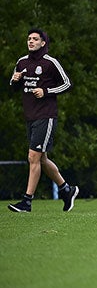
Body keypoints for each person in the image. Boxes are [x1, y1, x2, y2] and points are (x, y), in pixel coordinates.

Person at [8, 28, 79, 213]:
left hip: (45, 116)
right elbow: (14, 87)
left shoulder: (50, 62)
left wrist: (46, 91)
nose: (30, 41)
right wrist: (15, 80)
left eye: (35, 39)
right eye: (29, 39)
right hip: (30, 117)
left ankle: (27, 201)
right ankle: (66, 190)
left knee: (33, 157)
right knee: (42, 159)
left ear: (43, 43)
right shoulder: (21, 62)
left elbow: (67, 83)